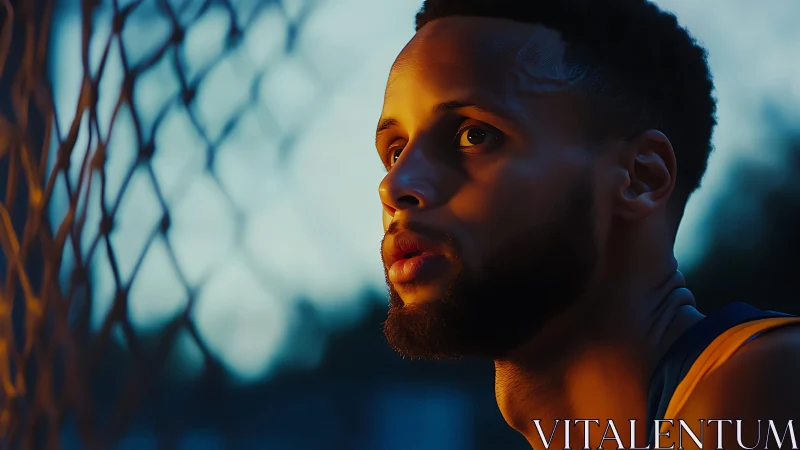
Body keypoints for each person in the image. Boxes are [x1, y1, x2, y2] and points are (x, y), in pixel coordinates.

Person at [375, 1, 800, 448]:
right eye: (396, 149)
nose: (394, 184)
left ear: (641, 177)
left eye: (474, 135)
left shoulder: (768, 380)